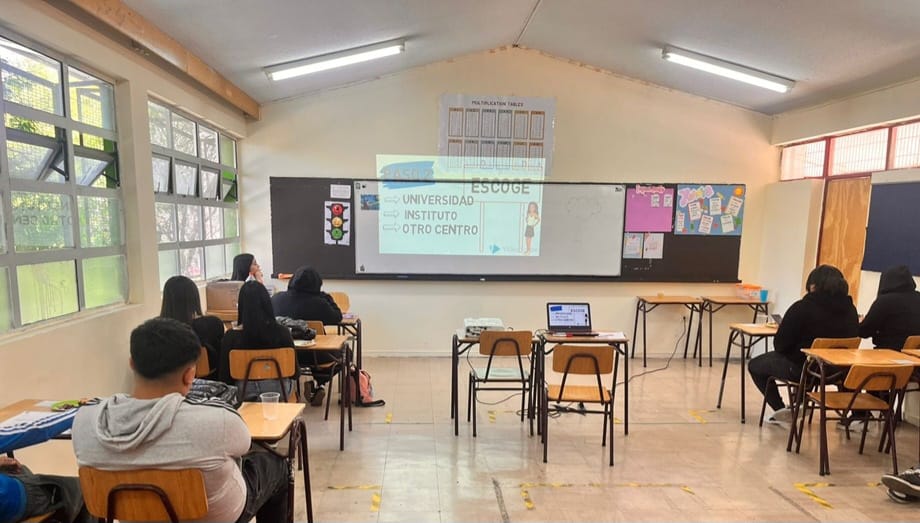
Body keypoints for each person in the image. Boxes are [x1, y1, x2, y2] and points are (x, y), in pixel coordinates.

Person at [72, 318, 289, 523]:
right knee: (275, 465)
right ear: (190, 375)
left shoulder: (85, 421)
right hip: (214, 517)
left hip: (134, 517)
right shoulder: (217, 422)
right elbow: (244, 444)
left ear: (132, 364)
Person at [748, 264, 859, 422]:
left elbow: (780, 344)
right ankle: (856, 415)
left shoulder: (802, 307)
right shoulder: (851, 310)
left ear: (813, 286)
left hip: (804, 370)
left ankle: (781, 409)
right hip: (839, 371)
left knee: (755, 365)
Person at [0, 409, 89, 523]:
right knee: (82, 488)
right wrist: (84, 411)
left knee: (19, 469)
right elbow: (37, 430)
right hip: (11, 502)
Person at [272, 266, 342, 406]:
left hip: (284, 356)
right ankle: (319, 383)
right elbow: (337, 317)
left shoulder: (276, 299)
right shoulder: (319, 303)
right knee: (345, 353)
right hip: (316, 356)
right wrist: (325, 296)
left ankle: (309, 385)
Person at [219, 281, 296, 400]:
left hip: (243, 392)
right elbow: (295, 372)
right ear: (267, 304)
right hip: (279, 391)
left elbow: (224, 377)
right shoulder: (283, 333)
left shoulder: (230, 337)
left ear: (241, 306)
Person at [160, 275, 225, 369]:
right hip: (209, 377)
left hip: (170, 377)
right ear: (195, 298)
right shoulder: (212, 324)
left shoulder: (156, 332)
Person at [858, 265, 920, 349]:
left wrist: (861, 322)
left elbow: (864, 332)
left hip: (888, 352)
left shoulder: (884, 301)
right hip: (915, 354)